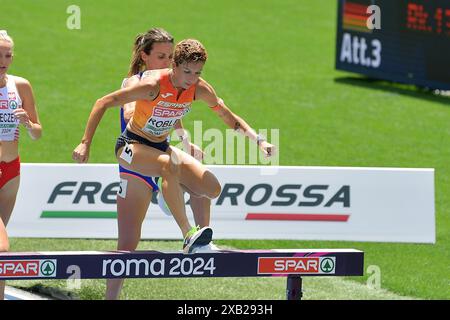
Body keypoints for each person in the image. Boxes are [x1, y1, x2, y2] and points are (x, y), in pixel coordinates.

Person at [72, 36, 274, 254]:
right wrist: (85, 143)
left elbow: (228, 117)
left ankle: (170, 193)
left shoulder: (199, 89)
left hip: (161, 147)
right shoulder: (152, 85)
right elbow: (103, 102)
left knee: (211, 188)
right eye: (187, 72)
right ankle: (188, 235)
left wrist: (259, 141)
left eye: (198, 73)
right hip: (130, 146)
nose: (192, 78)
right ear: (174, 66)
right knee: (170, 165)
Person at [108, 28, 215, 299]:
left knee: (197, 176)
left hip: (162, 157)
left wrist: (186, 141)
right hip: (135, 166)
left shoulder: (173, 83)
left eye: (170, 56)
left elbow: (172, 111)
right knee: (128, 242)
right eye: (161, 56)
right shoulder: (135, 82)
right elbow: (131, 109)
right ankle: (110, 297)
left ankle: (200, 239)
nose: (167, 62)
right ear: (145, 57)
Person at [0, 30, 42, 300]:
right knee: (2, 248)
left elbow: (38, 133)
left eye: (7, 55)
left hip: (11, 170)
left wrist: (27, 123)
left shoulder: (21, 86)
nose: (3, 60)